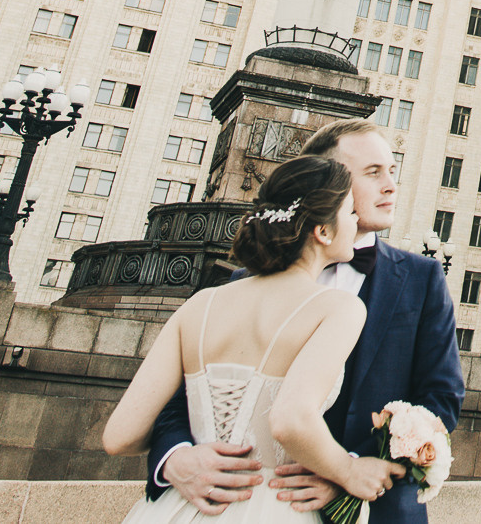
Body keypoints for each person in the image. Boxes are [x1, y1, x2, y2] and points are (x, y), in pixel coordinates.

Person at [144, 119, 464, 518]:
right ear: (327, 182)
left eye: (392, 171)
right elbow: (180, 398)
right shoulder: (242, 284)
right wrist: (175, 458)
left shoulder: (422, 278)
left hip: (374, 510)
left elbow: (440, 400)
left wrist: (347, 473)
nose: (390, 186)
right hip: (250, 504)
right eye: (372, 172)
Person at [102, 153, 404, 523]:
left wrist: (176, 458)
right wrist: (348, 470)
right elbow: (290, 420)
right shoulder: (338, 308)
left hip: (180, 507)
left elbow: (119, 436)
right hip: (272, 506)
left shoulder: (200, 304)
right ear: (323, 231)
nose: (357, 221)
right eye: (349, 211)